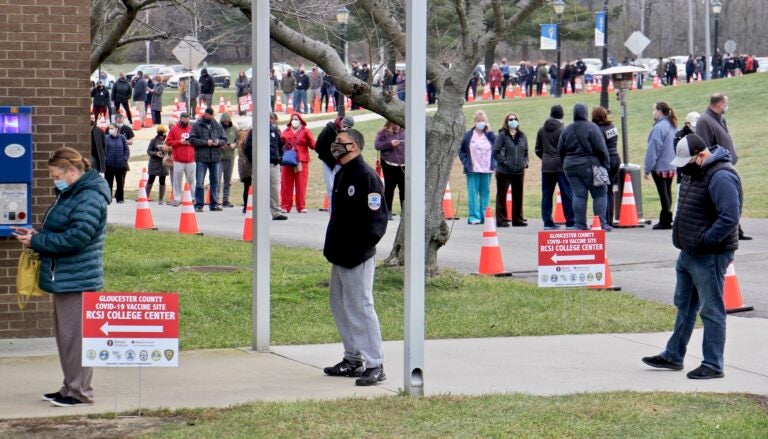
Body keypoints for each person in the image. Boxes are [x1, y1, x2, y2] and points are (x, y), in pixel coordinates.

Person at [14, 147, 110, 407]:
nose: (54, 179)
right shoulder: (72, 194)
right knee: (67, 338)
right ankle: (70, 387)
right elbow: (66, 231)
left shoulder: (88, 197)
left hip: (77, 278)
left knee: (76, 339)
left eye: (56, 174)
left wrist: (36, 241)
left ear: (71, 170)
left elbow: (77, 237)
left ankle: (80, 392)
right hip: (66, 276)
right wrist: (36, 235)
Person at [642, 134, 742, 380]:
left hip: (710, 254)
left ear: (701, 154)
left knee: (711, 310)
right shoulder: (692, 171)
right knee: (685, 305)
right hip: (689, 252)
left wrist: (705, 240)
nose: (683, 166)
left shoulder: (721, 176)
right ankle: (673, 355)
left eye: (687, 160)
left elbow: (730, 217)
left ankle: (713, 363)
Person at [322, 128, 389, 387]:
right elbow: (321, 145)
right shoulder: (342, 172)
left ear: (356, 147)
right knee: (340, 305)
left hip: (357, 255)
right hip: (339, 254)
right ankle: (352, 359)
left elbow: (377, 220)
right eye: (336, 142)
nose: (336, 146)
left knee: (361, 307)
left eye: (342, 142)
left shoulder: (366, 177)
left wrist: (360, 248)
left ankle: (375, 363)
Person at [695, 93, 751, 240]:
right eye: (726, 103)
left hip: (727, 165)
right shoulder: (704, 121)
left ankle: (736, 229)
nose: (727, 106)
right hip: (716, 170)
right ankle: (731, 232)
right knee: (725, 202)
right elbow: (704, 147)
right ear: (720, 105)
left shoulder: (720, 120)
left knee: (735, 198)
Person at [558, 103, 610, 230]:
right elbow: (601, 149)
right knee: (600, 194)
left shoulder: (567, 129)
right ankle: (600, 224)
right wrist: (606, 165)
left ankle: (580, 224)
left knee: (579, 195)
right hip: (590, 165)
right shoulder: (592, 127)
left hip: (570, 166)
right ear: (586, 113)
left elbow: (560, 150)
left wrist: (566, 163)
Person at [536, 105, 574, 230]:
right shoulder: (564, 130)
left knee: (546, 195)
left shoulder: (542, 130)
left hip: (546, 166)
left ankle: (547, 221)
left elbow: (538, 149)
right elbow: (567, 148)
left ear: (551, 114)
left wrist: (546, 157)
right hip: (561, 166)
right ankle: (570, 221)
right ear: (562, 116)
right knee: (566, 194)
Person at [644, 102, 678, 230]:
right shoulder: (673, 125)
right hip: (672, 164)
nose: (653, 113)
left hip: (660, 166)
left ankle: (665, 219)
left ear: (659, 111)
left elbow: (653, 150)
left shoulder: (658, 128)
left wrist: (647, 169)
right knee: (667, 191)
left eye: (654, 110)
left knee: (663, 193)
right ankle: (668, 218)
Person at [459, 110, 497, 224]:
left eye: (483, 120)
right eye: (479, 120)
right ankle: (474, 216)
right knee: (473, 194)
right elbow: (461, 151)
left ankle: (485, 216)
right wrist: (466, 162)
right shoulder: (468, 135)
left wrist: (490, 132)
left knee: (485, 193)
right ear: (474, 121)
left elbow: (498, 146)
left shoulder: (490, 135)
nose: (481, 122)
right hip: (473, 169)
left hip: (487, 169)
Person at [493, 112, 529, 227]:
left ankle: (517, 219)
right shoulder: (502, 135)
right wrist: (504, 161)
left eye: (515, 119)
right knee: (502, 196)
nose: (513, 121)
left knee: (518, 196)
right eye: (510, 119)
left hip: (519, 171)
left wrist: (525, 162)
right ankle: (501, 219)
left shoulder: (522, 136)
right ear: (506, 122)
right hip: (504, 171)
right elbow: (495, 152)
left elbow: (526, 152)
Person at [189, 108, 227, 212]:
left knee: (215, 181)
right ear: (205, 114)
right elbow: (192, 139)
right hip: (201, 158)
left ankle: (213, 204)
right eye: (209, 115)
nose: (211, 117)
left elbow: (224, 139)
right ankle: (199, 204)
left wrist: (218, 142)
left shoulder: (217, 126)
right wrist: (206, 142)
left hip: (215, 157)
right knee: (200, 182)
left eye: (212, 115)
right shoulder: (197, 125)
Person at [315, 115, 356, 208]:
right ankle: (332, 212)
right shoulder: (328, 130)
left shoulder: (348, 134)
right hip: (329, 163)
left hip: (341, 164)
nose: (346, 129)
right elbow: (318, 146)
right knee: (331, 188)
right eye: (345, 126)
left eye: (349, 128)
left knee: (340, 189)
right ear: (341, 122)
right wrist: (329, 156)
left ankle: (338, 211)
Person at [280, 112, 316, 213]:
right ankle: (285, 206)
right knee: (286, 184)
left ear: (300, 120)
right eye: (293, 119)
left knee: (301, 184)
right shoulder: (286, 131)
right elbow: (280, 144)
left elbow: (313, 145)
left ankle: (301, 206)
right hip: (288, 160)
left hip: (301, 161)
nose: (294, 121)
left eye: (296, 119)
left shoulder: (306, 131)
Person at [591, 106, 620, 227]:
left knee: (603, 191)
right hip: (615, 159)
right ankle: (609, 219)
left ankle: (604, 221)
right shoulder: (612, 127)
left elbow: (599, 148)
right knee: (610, 191)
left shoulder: (597, 130)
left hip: (604, 161)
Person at [374, 121, 406, 219]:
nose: (396, 124)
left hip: (404, 165)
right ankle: (388, 211)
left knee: (404, 189)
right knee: (389, 189)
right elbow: (377, 145)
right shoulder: (383, 132)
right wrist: (389, 144)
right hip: (389, 164)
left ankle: (404, 212)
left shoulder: (406, 130)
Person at [167, 112, 195, 207]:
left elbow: (197, 140)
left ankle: (192, 198)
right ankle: (177, 198)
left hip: (191, 159)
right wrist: (180, 142)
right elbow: (168, 142)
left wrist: (191, 142)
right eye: (184, 119)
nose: (186, 121)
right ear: (180, 119)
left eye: (187, 119)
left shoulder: (192, 129)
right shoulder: (174, 129)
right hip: (178, 159)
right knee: (177, 180)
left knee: (191, 180)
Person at [104, 122, 130, 204]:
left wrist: (124, 159)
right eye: (109, 129)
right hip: (109, 165)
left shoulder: (122, 138)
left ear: (116, 129)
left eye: (112, 128)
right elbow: (103, 150)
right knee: (108, 182)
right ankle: (108, 198)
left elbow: (127, 150)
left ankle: (120, 199)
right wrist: (106, 159)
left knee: (120, 182)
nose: (110, 130)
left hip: (120, 165)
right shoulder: (106, 138)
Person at [145, 125, 169, 204]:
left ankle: (161, 199)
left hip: (164, 163)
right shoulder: (153, 140)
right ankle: (145, 196)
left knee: (162, 181)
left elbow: (170, 149)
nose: (162, 135)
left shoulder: (167, 140)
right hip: (154, 163)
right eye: (161, 134)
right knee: (150, 180)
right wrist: (156, 153)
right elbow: (149, 151)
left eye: (164, 133)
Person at [218, 112, 237, 208]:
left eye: (227, 121)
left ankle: (226, 200)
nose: (226, 123)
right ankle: (215, 199)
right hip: (220, 158)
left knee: (227, 179)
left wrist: (234, 145)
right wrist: (219, 145)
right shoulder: (217, 128)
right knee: (217, 179)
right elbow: (214, 139)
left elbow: (238, 140)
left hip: (230, 157)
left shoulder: (234, 129)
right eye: (224, 121)